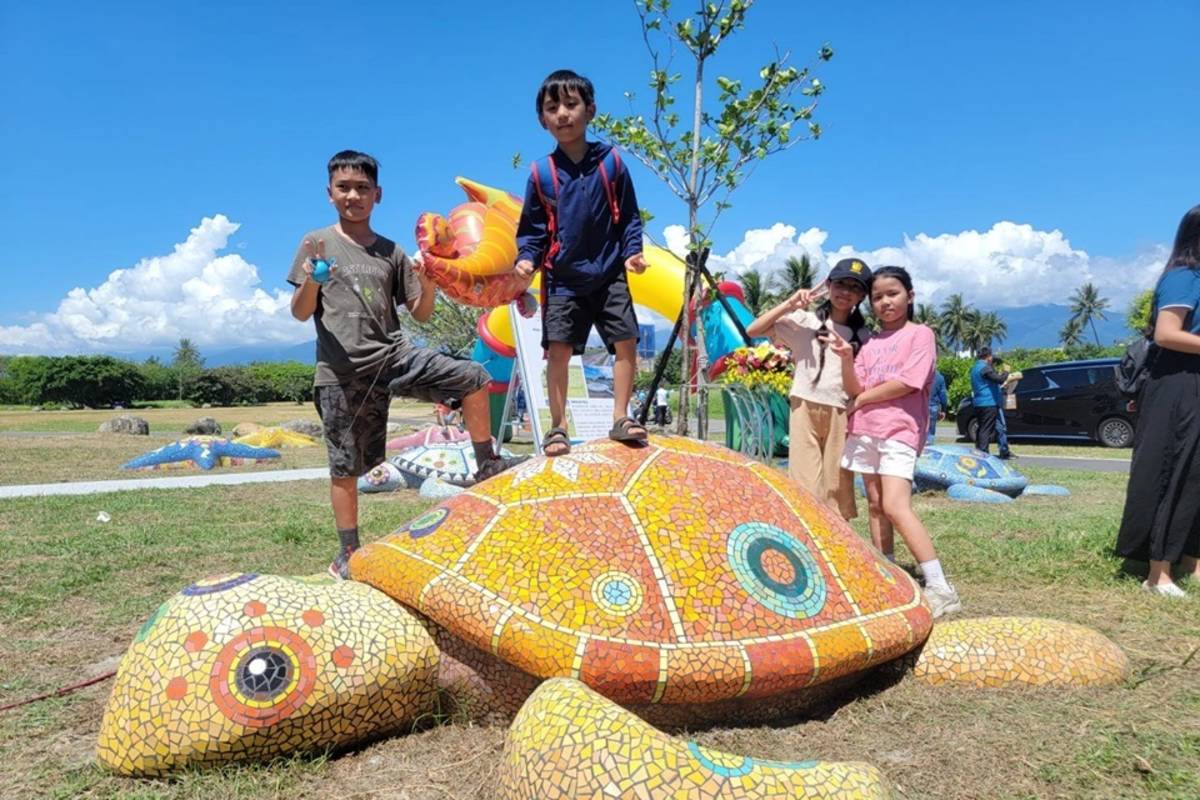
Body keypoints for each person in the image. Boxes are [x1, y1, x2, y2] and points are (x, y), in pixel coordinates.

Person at [289, 150, 524, 579]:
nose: (353, 195)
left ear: (377, 195)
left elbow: (420, 313)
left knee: (473, 377)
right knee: (345, 469)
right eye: (344, 187)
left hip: (395, 357)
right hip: (340, 373)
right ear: (330, 193)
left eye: (363, 188)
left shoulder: (391, 252)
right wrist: (313, 280)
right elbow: (301, 313)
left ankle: (486, 463)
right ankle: (348, 554)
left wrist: (430, 283)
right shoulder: (316, 242)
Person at [514, 69, 648, 457]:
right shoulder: (541, 173)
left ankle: (621, 416)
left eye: (571, 104)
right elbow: (533, 229)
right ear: (543, 120)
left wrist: (633, 251)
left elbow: (630, 217)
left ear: (590, 110)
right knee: (558, 351)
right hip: (562, 280)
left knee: (625, 341)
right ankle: (557, 428)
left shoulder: (612, 163)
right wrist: (526, 259)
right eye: (552, 107)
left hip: (609, 273)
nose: (562, 114)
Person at [829, 265, 963, 618]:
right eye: (877, 297)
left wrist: (862, 400)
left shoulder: (921, 335)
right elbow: (855, 386)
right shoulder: (870, 342)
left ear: (910, 296)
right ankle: (888, 573)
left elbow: (908, 382)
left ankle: (940, 586)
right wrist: (846, 359)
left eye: (893, 294)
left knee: (895, 505)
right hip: (864, 430)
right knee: (874, 503)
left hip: (899, 431)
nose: (885, 302)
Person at [1116, 205, 1200, 598]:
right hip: (1178, 383)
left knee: (1197, 474)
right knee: (1172, 469)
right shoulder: (1183, 278)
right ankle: (1158, 572)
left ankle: (1192, 560)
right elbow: (1167, 333)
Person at [747, 258, 871, 520]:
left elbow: (857, 388)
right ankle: (808, 538)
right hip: (804, 404)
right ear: (828, 285)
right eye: (840, 284)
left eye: (854, 287)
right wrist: (791, 303)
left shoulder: (863, 336)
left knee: (837, 485)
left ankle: (837, 541)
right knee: (803, 482)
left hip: (841, 411)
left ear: (861, 296)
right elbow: (754, 329)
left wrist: (848, 357)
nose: (845, 292)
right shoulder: (804, 320)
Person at [969, 347, 1011, 457]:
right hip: (988, 402)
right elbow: (999, 379)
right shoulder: (984, 368)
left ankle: (979, 449)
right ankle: (983, 451)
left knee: (982, 427)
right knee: (986, 429)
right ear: (988, 357)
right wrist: (1006, 372)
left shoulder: (975, 368)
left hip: (979, 402)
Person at [927, 369, 948, 444]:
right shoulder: (939, 377)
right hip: (933, 406)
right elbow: (943, 395)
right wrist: (944, 410)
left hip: (920, 406)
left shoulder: (921, 374)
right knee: (931, 432)